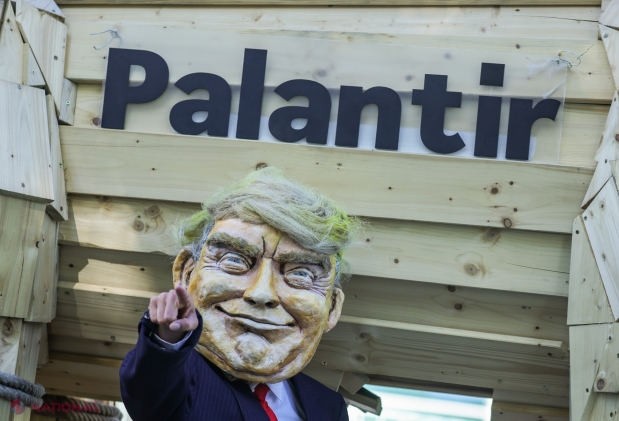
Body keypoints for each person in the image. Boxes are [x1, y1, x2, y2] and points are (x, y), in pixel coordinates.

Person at [120, 167, 360, 420]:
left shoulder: (328, 406)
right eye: (234, 260)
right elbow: (150, 389)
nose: (262, 293)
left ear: (332, 308)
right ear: (186, 273)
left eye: (301, 275)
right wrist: (168, 339)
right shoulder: (180, 380)